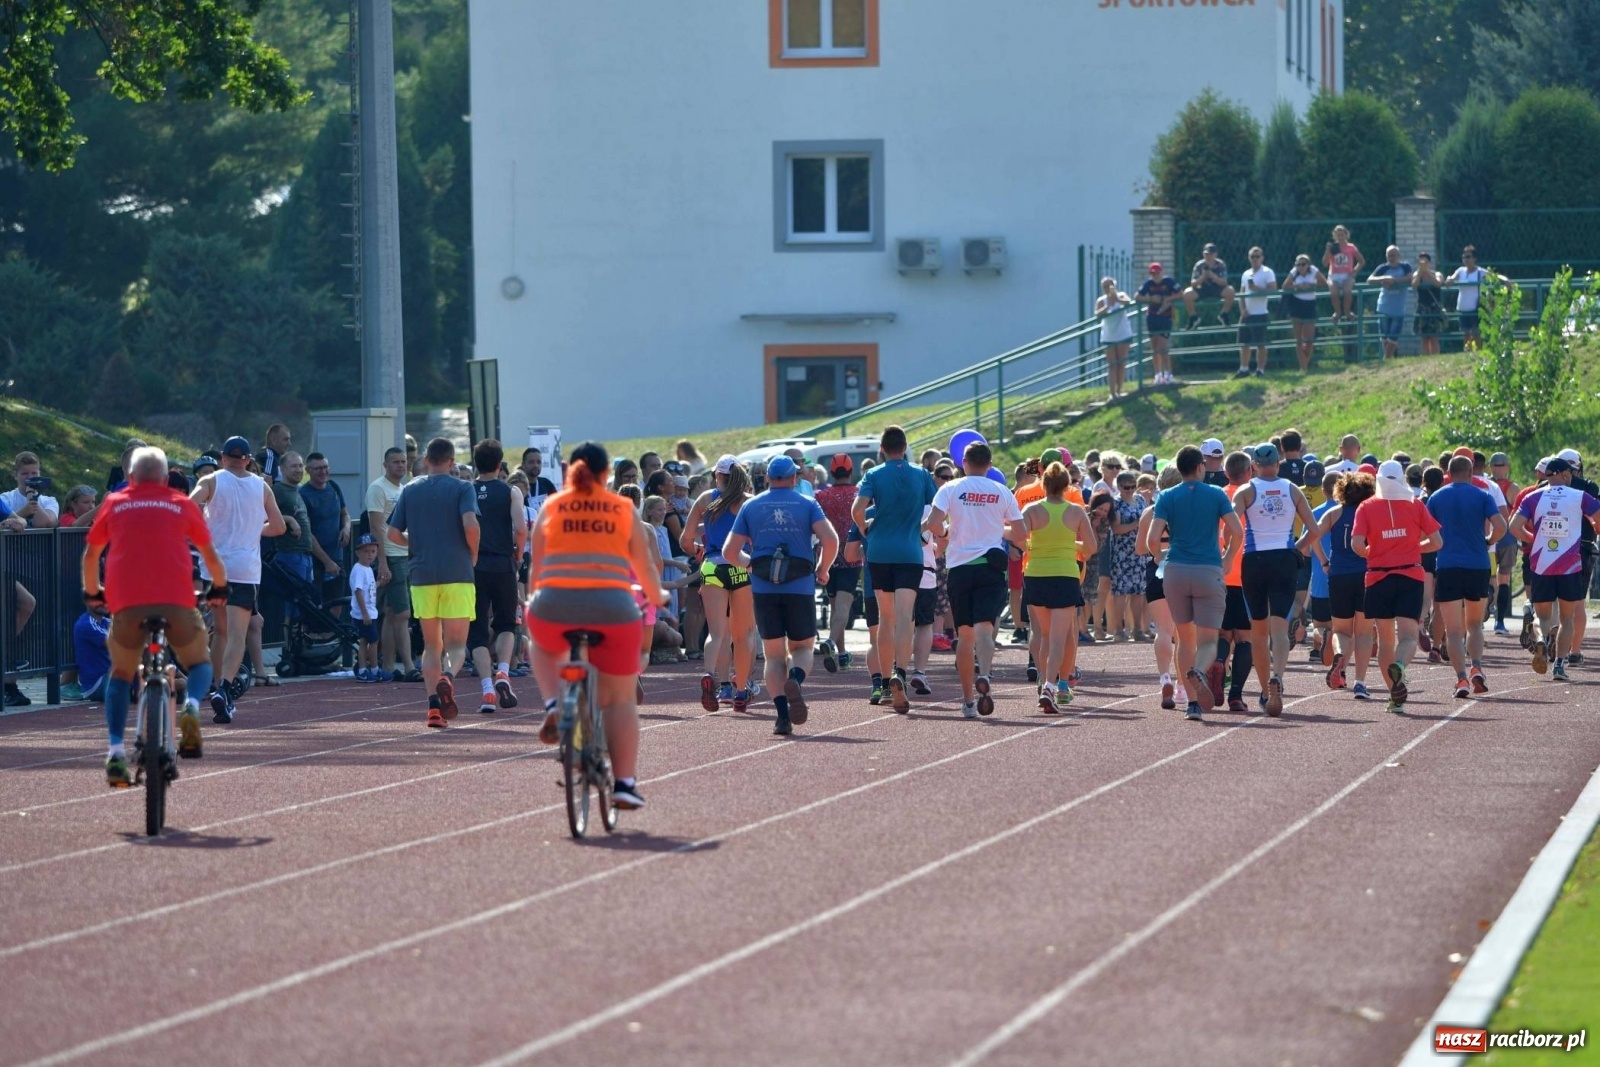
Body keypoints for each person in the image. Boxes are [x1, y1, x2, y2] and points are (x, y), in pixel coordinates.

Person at [82, 447, 230, 784]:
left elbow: (92, 555)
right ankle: (191, 707)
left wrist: (93, 593)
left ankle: (116, 752)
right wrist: (219, 589)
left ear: (129, 478)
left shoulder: (115, 503)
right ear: (165, 479)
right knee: (200, 662)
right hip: (176, 603)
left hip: (127, 605)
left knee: (120, 674)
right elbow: (210, 554)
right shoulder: (181, 505)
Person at [723, 455, 837, 736]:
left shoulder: (751, 505)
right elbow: (831, 539)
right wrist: (823, 569)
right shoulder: (807, 503)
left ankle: (782, 717)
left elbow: (728, 552)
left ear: (768, 479)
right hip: (799, 586)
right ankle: (796, 678)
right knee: (802, 649)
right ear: (794, 478)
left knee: (774, 656)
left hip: (764, 588)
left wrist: (750, 563)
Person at [190, 436, 286, 724]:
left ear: (222, 458)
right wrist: (254, 529)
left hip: (214, 568)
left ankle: (216, 683)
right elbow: (279, 526)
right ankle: (224, 688)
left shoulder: (212, 480)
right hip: (245, 568)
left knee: (219, 631)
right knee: (236, 634)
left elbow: (188, 506)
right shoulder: (261, 485)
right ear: (247, 459)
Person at [1145, 445, 1243, 721]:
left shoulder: (1166, 496)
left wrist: (1160, 554)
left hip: (1175, 570)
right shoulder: (1216, 494)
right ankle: (1200, 671)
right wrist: (1228, 558)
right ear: (1201, 466)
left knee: (1184, 639)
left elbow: (1152, 540)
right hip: (1208, 569)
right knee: (1209, 640)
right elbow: (1237, 531)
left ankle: (1191, 704)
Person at [927, 443, 1026, 719]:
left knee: (964, 636)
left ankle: (969, 701)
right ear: (990, 465)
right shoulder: (1001, 490)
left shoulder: (950, 488)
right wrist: (996, 528)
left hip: (960, 568)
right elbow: (1020, 532)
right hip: (991, 568)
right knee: (985, 629)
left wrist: (946, 531)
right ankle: (985, 674)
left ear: (964, 462)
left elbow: (934, 522)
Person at [387, 439, 481, 727]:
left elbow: (391, 533)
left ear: (426, 459)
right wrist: (472, 555)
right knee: (456, 644)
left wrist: (414, 544)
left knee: (431, 645)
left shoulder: (410, 489)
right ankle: (448, 677)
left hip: (422, 574)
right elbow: (471, 525)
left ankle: (433, 709)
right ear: (452, 462)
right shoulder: (463, 487)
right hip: (457, 572)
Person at [852, 425, 937, 714]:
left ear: (882, 449)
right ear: (905, 446)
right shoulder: (922, 474)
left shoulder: (873, 474)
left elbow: (857, 509)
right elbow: (937, 510)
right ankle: (901, 671)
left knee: (885, 618)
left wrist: (865, 529)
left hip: (880, 552)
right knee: (905, 617)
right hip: (910, 553)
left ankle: (887, 683)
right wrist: (922, 529)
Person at [1230, 443, 1320, 715]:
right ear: (1278, 464)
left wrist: (1226, 553)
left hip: (1254, 559)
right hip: (1284, 557)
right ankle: (1278, 676)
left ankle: (1265, 690)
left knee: (1258, 630)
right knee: (1279, 628)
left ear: (1253, 466)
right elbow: (1313, 529)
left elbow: (1233, 528)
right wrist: (1298, 547)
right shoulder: (1291, 489)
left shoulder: (1246, 490)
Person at [1351, 461, 1443, 713]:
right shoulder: (1415, 504)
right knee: (1409, 636)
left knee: (1384, 642)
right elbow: (1437, 541)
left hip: (1378, 578)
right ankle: (1400, 665)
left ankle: (1394, 695)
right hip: (1410, 575)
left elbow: (1356, 544)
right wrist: (1413, 547)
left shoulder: (1366, 507)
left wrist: (1373, 551)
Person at [1509, 457, 1600, 683]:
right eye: (1570, 473)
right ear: (1565, 474)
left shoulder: (1532, 497)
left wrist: (1532, 538)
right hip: (1569, 565)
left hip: (1541, 564)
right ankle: (1559, 664)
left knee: (1543, 616)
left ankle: (1540, 640)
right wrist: (1593, 529)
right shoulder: (1580, 496)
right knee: (1567, 618)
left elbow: (1513, 527)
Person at [682, 456, 759, 712]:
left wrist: (698, 549)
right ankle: (740, 690)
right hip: (740, 566)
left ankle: (713, 677)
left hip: (712, 566)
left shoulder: (705, 499)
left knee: (717, 633)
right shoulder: (749, 501)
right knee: (744, 633)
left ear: (717, 475)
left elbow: (685, 540)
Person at [1427, 455, 1507, 697]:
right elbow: (1501, 525)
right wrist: (1489, 541)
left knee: (1453, 630)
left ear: (1448, 473)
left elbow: (1427, 530)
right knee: (1474, 624)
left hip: (1448, 565)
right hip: (1477, 565)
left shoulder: (1437, 497)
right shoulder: (1482, 495)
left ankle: (1461, 679)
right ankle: (1477, 667)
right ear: (1471, 471)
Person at [1020, 460, 1097, 711]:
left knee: (1042, 635)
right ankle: (1051, 687)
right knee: (1058, 638)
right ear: (1066, 486)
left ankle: (1045, 680)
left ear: (1043, 484)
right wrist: (1070, 546)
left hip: (1036, 575)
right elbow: (1092, 548)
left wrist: (1037, 547)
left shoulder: (1031, 510)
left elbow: (1021, 541)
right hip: (1064, 576)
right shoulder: (1076, 511)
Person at [467, 440, 527, 714]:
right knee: (506, 623)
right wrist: (518, 555)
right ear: (501, 464)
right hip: (503, 565)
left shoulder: (466, 490)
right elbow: (520, 528)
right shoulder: (511, 491)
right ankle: (504, 670)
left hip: (475, 566)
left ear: (475, 463)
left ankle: (487, 690)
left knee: (477, 631)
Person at [366, 446, 419, 682]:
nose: (401, 465)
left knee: (390, 613)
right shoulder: (378, 488)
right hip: (392, 556)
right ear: (385, 465)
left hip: (404, 554)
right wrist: (383, 562)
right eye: (395, 462)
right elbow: (376, 527)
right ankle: (408, 666)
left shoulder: (404, 488)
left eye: (403, 461)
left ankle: (388, 666)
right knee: (403, 613)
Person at [814, 454, 861, 672]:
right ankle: (831, 642)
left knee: (835, 608)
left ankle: (841, 655)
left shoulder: (821, 496)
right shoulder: (859, 495)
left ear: (832, 473)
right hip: (851, 556)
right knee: (843, 607)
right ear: (851, 472)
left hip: (828, 556)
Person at [298, 452, 351, 610]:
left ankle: (331, 634)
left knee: (338, 601)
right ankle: (316, 634)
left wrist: (346, 528)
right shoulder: (303, 495)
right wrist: (327, 561)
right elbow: (307, 532)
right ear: (308, 471)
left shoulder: (334, 487)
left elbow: (345, 513)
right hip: (315, 560)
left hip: (337, 554)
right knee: (315, 604)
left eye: (325, 467)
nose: (323, 472)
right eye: (318, 469)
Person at [1135, 262, 1180, 384]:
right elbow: (1137, 297)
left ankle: (1168, 373)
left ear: (1162, 272)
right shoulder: (1148, 284)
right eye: (1153, 273)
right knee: (1154, 347)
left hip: (1165, 317)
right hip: (1152, 317)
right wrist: (1150, 299)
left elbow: (1181, 293)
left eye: (1157, 273)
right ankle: (1158, 374)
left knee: (1163, 347)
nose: (1155, 275)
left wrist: (1168, 299)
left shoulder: (1168, 282)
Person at [1368, 245, 1414, 360]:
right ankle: (1389, 359)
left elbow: (1410, 278)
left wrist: (1394, 281)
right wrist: (1383, 279)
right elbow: (1370, 279)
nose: (1391, 257)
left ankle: (1386, 359)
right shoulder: (1382, 268)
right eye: (1389, 255)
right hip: (1383, 307)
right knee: (1384, 337)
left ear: (1399, 256)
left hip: (1398, 309)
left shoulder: (1405, 267)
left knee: (1393, 337)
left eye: (1394, 255)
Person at [1235, 247, 1276, 377]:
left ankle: (1260, 370)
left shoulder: (1267, 272)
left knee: (1260, 343)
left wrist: (1256, 288)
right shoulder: (1246, 273)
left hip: (1260, 312)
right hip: (1247, 313)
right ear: (1249, 258)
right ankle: (1244, 369)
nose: (1255, 259)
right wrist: (1242, 309)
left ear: (1262, 258)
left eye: (1257, 256)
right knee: (1244, 343)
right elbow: (1241, 293)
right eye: (1252, 256)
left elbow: (1273, 290)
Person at [1279, 254, 1325, 371]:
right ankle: (1303, 368)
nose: (1300, 266)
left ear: (1308, 264)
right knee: (1298, 340)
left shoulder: (1314, 271)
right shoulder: (1294, 272)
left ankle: (1304, 364)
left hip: (1310, 305)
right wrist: (1297, 286)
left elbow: (1324, 283)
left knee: (1309, 340)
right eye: (1298, 264)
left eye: (1303, 264)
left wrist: (1311, 285)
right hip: (1296, 304)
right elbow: (1285, 286)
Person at [1095, 276, 1136, 400]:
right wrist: (1109, 306)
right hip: (1109, 335)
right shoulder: (1101, 300)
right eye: (1105, 287)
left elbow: (1129, 302)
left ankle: (1119, 390)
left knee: (1121, 363)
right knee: (1112, 365)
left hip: (1123, 334)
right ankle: (1112, 393)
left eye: (1110, 286)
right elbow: (1097, 313)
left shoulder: (1121, 295)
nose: (1107, 289)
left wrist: (1116, 298)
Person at [349, 535, 382, 681]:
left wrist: (380, 583)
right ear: (358, 552)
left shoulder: (367, 569)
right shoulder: (359, 569)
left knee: (364, 641)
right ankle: (374, 669)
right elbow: (358, 591)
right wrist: (365, 613)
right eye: (366, 551)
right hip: (364, 614)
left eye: (373, 552)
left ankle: (363, 669)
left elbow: (369, 588)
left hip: (369, 612)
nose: (370, 555)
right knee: (373, 641)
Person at [71, 598, 113, 703]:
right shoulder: (87, 624)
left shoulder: (105, 622)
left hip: (108, 676)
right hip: (97, 683)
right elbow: (112, 643)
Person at [1182, 243, 1236, 324]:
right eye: (1206, 254)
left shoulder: (1220, 264)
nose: (1208, 256)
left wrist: (1213, 276)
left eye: (1210, 254)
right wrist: (1203, 277)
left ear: (1215, 254)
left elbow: (1224, 283)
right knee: (1187, 293)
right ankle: (1193, 317)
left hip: (1217, 288)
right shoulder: (1199, 265)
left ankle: (1224, 314)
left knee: (1231, 291)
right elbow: (1193, 284)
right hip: (1202, 288)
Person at [1446, 246, 1487, 349]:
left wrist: (1506, 281)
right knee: (1466, 334)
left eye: (1468, 256)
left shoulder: (1480, 272)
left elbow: (1495, 276)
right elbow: (1452, 278)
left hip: (1475, 307)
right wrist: (1449, 280)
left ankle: (1479, 353)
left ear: (1474, 258)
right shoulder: (1460, 271)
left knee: (1476, 333)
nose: (1466, 259)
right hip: (1463, 307)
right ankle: (1468, 353)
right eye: (1464, 257)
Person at [1323, 224, 1364, 323]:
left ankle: (1347, 311)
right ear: (1334, 236)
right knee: (1334, 292)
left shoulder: (1351, 247)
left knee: (1347, 291)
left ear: (1346, 235)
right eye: (1338, 235)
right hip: (1333, 275)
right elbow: (1325, 263)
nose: (1340, 237)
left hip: (1347, 275)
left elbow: (1361, 261)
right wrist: (1328, 251)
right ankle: (1337, 312)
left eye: (1342, 235)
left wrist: (1354, 272)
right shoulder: (1333, 247)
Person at [1413, 252, 1444, 355]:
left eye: (1425, 261)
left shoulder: (1436, 273)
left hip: (1434, 308)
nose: (1423, 263)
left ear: (1430, 263)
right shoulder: (1417, 275)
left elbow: (1438, 283)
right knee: (1424, 337)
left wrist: (1427, 272)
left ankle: (1435, 357)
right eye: (1420, 261)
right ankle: (1426, 358)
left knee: (1434, 337)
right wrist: (1420, 272)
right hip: (1422, 307)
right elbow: (1414, 285)